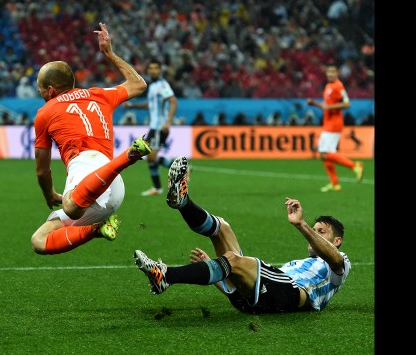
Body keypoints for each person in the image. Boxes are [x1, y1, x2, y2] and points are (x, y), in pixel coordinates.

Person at [133, 156, 351, 313]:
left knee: (234, 261)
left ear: (337, 241)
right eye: (314, 230)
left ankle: (166, 276)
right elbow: (250, 287)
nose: (314, 234)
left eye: (321, 232)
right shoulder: (299, 263)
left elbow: (333, 258)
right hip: (259, 297)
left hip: (291, 294)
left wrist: (301, 224)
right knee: (222, 229)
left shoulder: (338, 265)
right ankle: (183, 203)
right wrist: (215, 271)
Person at [31, 22, 150, 255]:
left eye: (41, 89)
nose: (40, 93)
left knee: (70, 206)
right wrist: (110, 54)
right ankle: (99, 229)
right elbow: (138, 84)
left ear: (51, 90)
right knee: (39, 240)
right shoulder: (99, 95)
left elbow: (42, 171)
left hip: (88, 171)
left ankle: (127, 156)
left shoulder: (45, 112)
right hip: (111, 188)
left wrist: (49, 196)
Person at [123, 59, 178, 196]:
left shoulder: (162, 85)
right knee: (150, 157)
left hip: (160, 127)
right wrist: (133, 106)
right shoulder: (152, 86)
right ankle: (158, 187)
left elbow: (173, 102)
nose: (153, 71)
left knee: (151, 156)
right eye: (151, 68)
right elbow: (150, 105)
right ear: (148, 71)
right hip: (154, 127)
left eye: (156, 68)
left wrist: (168, 122)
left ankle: (178, 170)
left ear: (160, 70)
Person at [306, 65, 363, 192]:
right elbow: (326, 105)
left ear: (337, 73)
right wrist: (314, 103)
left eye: (333, 71)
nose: (330, 74)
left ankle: (355, 165)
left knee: (325, 153)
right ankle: (335, 183)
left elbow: (347, 103)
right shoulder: (327, 87)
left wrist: (330, 108)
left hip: (335, 123)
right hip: (328, 123)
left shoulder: (338, 86)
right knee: (323, 154)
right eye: (328, 72)